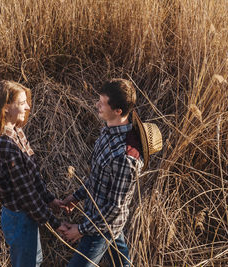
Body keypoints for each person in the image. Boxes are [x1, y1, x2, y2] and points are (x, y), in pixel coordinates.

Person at [62, 78, 162, 267]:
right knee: (121, 263)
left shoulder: (125, 157)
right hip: (100, 218)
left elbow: (114, 208)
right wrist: (76, 196)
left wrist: (81, 230)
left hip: (102, 227)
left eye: (102, 102)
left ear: (118, 111)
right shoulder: (107, 133)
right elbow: (98, 178)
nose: (97, 104)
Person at [0, 80, 68, 267]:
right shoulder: (6, 145)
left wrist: (49, 199)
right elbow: (26, 195)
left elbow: (32, 177)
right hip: (19, 218)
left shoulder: (18, 133)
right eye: (22, 103)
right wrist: (56, 223)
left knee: (35, 261)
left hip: (27, 215)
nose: (28, 107)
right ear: (5, 108)